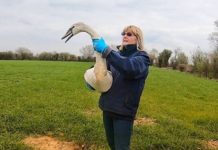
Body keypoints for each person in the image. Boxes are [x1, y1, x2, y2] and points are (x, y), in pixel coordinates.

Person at [92, 25, 150, 150]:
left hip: (123, 113)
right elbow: (101, 72)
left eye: (129, 34)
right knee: (112, 145)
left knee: (121, 148)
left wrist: (107, 51)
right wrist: (92, 81)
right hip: (107, 107)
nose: (125, 36)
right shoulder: (116, 56)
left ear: (138, 39)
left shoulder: (142, 58)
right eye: (124, 33)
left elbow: (129, 68)